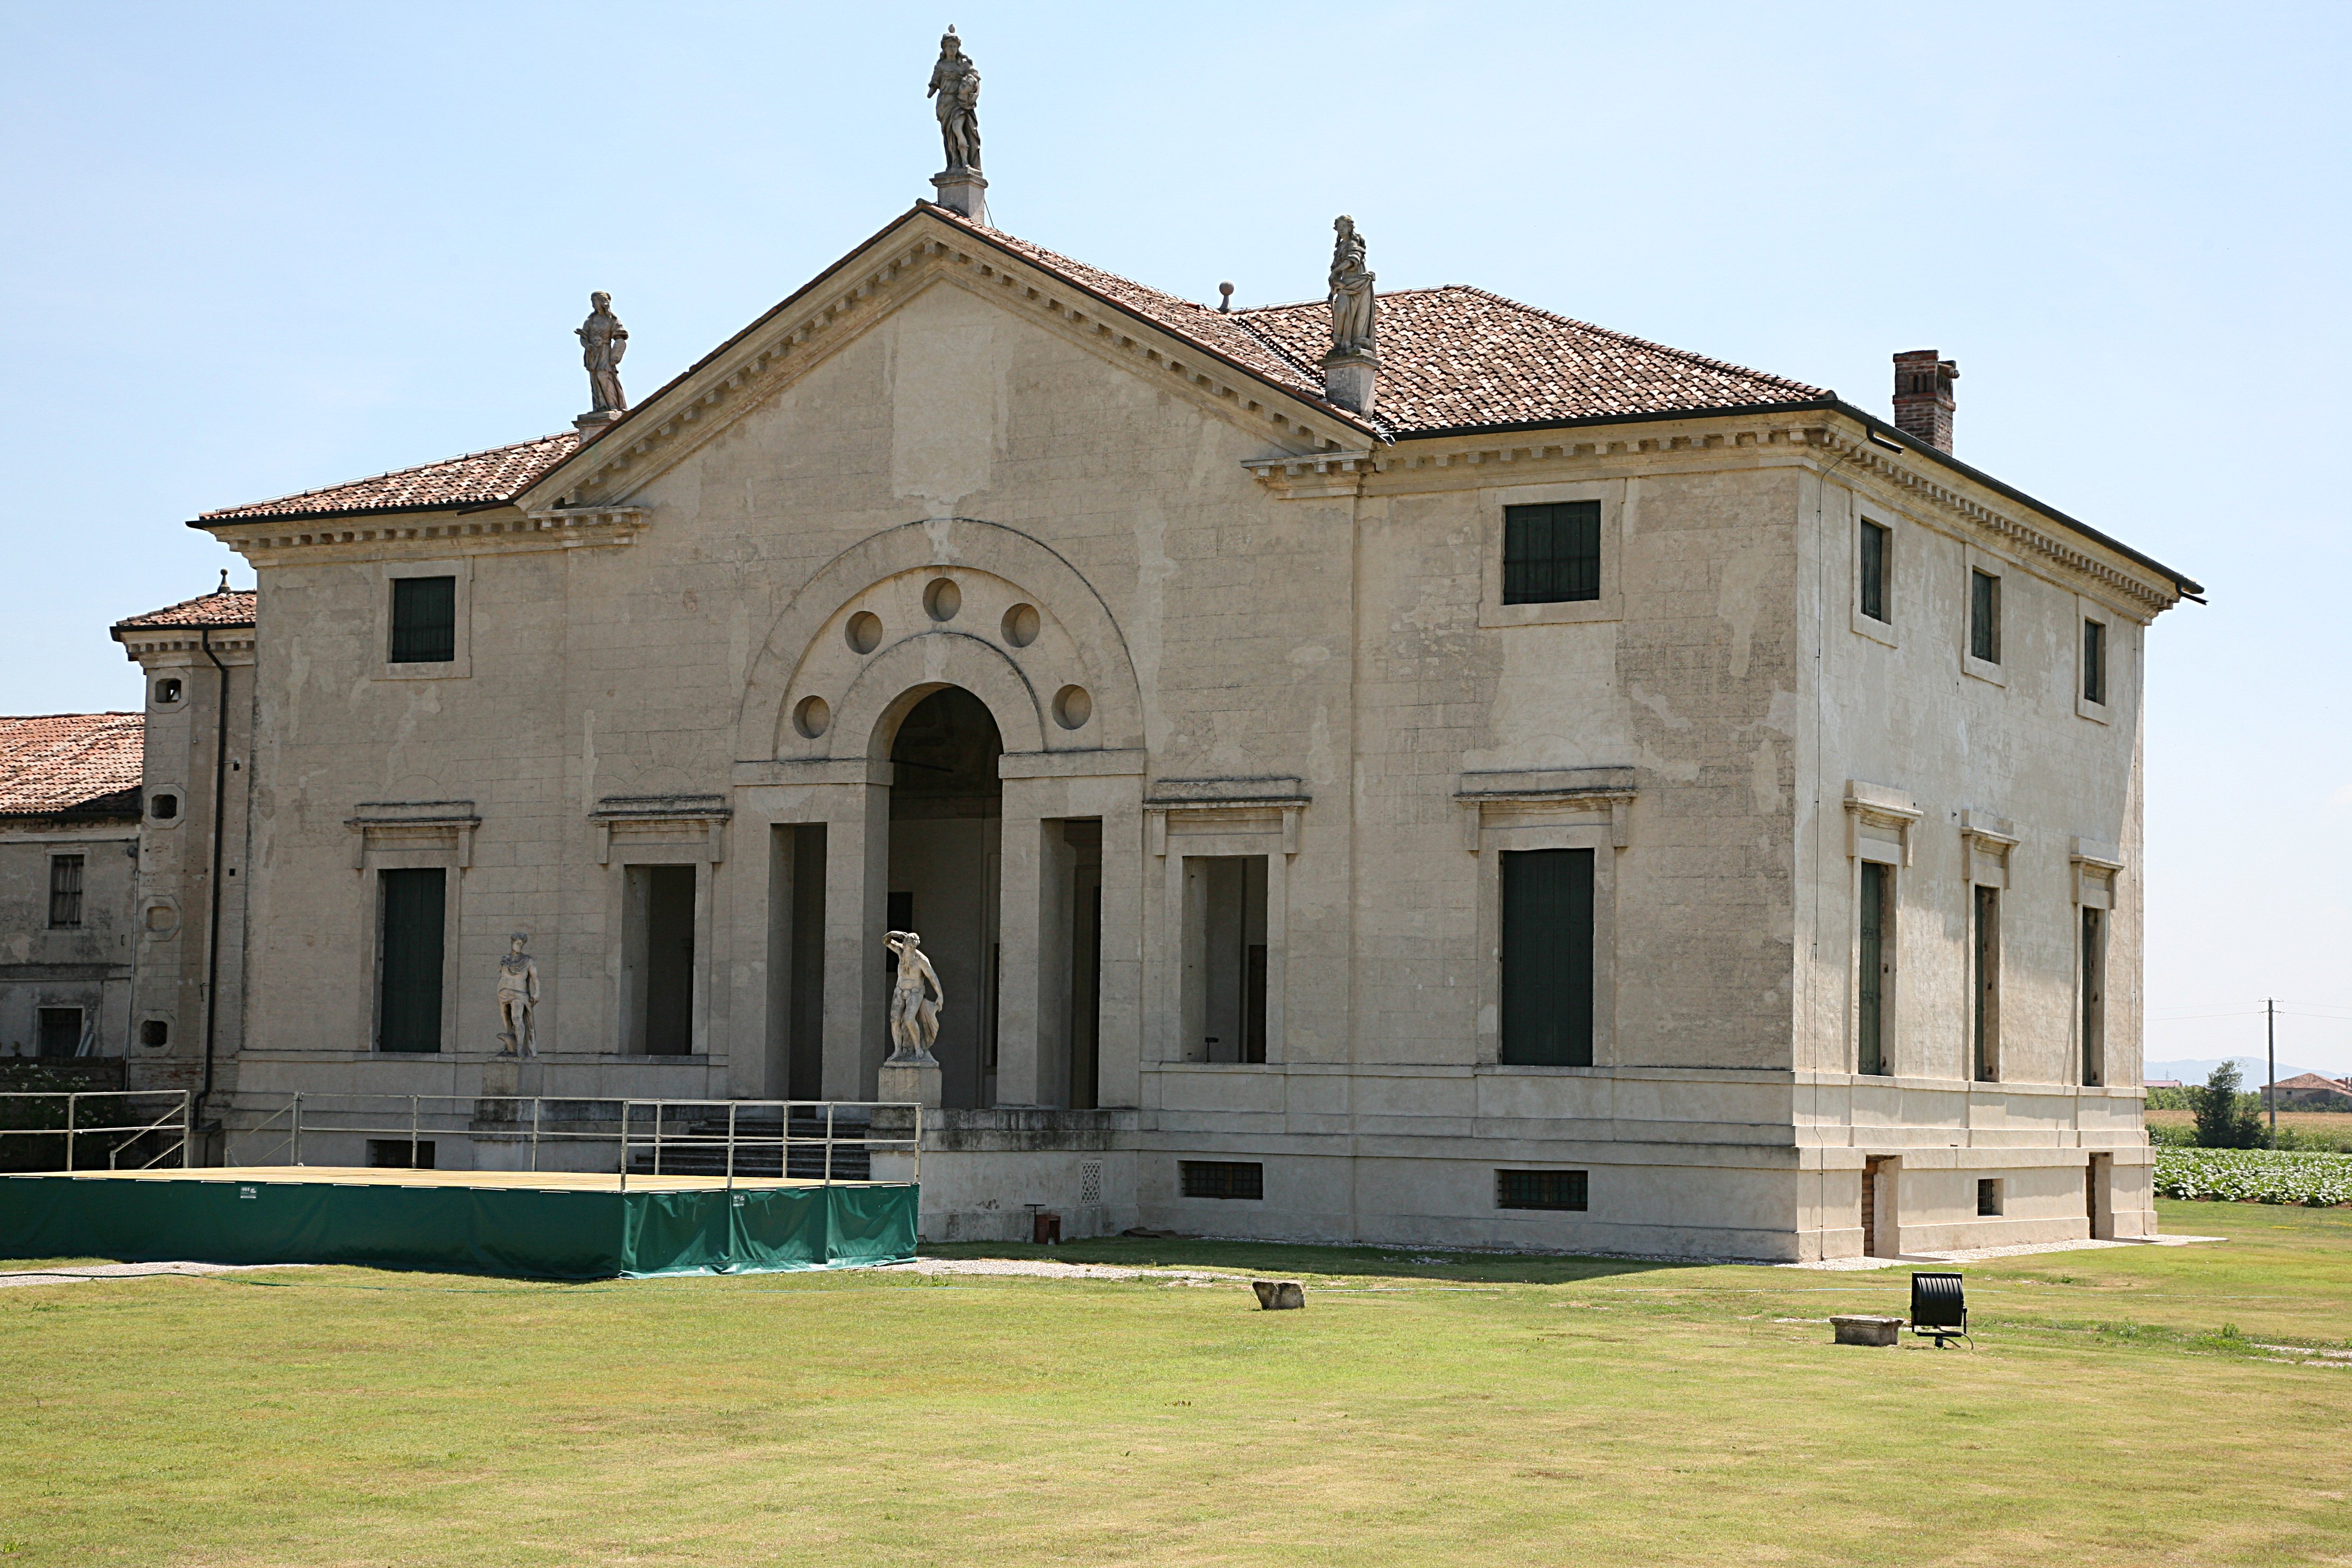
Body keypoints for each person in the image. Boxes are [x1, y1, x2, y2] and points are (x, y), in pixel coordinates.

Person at [884, 930, 943, 1059]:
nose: (911, 949)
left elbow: (932, 977)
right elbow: (886, 941)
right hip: (900, 991)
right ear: (904, 945)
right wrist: (894, 934)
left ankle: (918, 1048)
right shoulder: (901, 952)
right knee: (894, 1020)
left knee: (909, 1020)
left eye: (913, 947)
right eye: (909, 946)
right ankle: (898, 1050)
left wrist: (940, 995)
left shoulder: (921, 960)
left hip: (915, 992)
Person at [576, 292, 629, 414]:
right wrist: (586, 344)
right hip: (592, 353)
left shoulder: (612, 320)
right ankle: (601, 406)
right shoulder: (590, 321)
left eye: (595, 301)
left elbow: (620, 336)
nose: (593, 304)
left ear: (602, 302)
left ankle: (613, 405)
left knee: (604, 375)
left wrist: (617, 353)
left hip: (605, 351)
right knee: (595, 379)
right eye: (592, 301)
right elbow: (584, 337)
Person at [496, 933, 540, 1057]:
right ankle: (510, 1045)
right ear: (512, 943)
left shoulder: (528, 960)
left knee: (517, 1018)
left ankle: (520, 1046)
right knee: (507, 1020)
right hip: (504, 992)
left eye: (522, 944)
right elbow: (501, 972)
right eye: (517, 943)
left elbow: (535, 979)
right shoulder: (505, 959)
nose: (519, 946)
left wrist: (538, 993)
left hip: (520, 994)